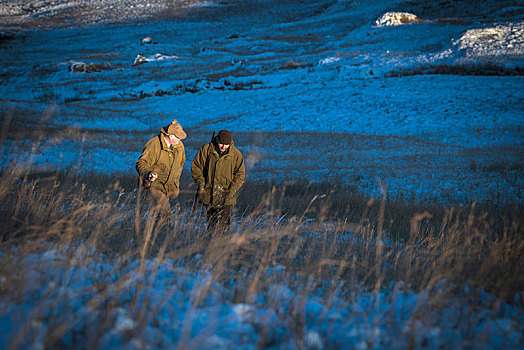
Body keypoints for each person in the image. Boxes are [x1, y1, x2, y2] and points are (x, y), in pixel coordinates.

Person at [191, 129, 245, 234]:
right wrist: (201, 183)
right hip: (209, 194)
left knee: (224, 225)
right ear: (217, 140)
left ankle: (221, 247)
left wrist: (232, 190)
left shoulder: (236, 155)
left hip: (227, 195)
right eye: (221, 143)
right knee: (211, 223)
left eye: (226, 144)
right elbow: (196, 167)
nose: (223, 147)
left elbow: (240, 175)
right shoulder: (207, 150)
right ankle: (210, 245)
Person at [136, 119, 186, 216]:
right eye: (178, 138)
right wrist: (148, 173)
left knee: (159, 216)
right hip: (155, 185)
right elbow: (141, 163)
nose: (180, 140)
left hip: (169, 187)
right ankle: (166, 230)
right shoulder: (154, 144)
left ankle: (155, 231)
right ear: (170, 136)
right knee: (164, 212)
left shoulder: (179, 146)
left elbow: (181, 164)